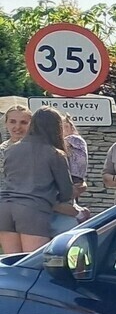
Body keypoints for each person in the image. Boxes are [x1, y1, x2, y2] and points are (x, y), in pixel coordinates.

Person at [0, 108, 77, 253]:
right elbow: (66, 192)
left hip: (5, 207)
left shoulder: (10, 150)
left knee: (12, 264)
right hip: (33, 209)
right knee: (32, 266)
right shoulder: (55, 153)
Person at [51, 110, 90, 235]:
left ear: (71, 127)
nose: (61, 131)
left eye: (65, 127)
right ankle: (78, 211)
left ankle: (79, 213)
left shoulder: (75, 139)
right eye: (58, 128)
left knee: (58, 202)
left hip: (74, 176)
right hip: (70, 175)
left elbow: (58, 147)